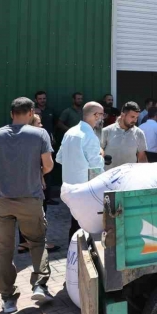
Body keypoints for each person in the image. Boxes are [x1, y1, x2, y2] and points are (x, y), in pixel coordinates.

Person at [0, 97, 54, 313]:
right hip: (31, 200)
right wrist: (37, 174)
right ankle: (40, 285)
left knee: (3, 250)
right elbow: (48, 165)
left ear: (12, 114)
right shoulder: (40, 134)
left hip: (1, 202)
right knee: (37, 241)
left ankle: (8, 299)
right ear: (31, 112)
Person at [56, 102, 106, 242]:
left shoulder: (69, 132)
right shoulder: (90, 136)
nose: (103, 118)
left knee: (75, 222)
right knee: (83, 225)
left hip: (69, 186)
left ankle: (72, 254)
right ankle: (78, 256)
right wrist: (101, 155)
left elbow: (59, 158)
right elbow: (96, 167)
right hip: (86, 187)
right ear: (96, 115)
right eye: (102, 114)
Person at [18, 114, 59, 254]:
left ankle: (23, 242)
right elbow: (44, 164)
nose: (41, 126)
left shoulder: (19, 139)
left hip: (22, 181)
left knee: (23, 211)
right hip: (36, 180)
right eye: (38, 123)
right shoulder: (38, 139)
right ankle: (40, 243)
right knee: (39, 211)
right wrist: (41, 177)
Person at [101, 101, 147, 169]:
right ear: (123, 115)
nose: (135, 120)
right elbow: (99, 151)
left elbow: (142, 157)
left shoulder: (139, 133)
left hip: (129, 176)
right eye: (132, 117)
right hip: (109, 175)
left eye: (136, 117)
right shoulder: (106, 131)